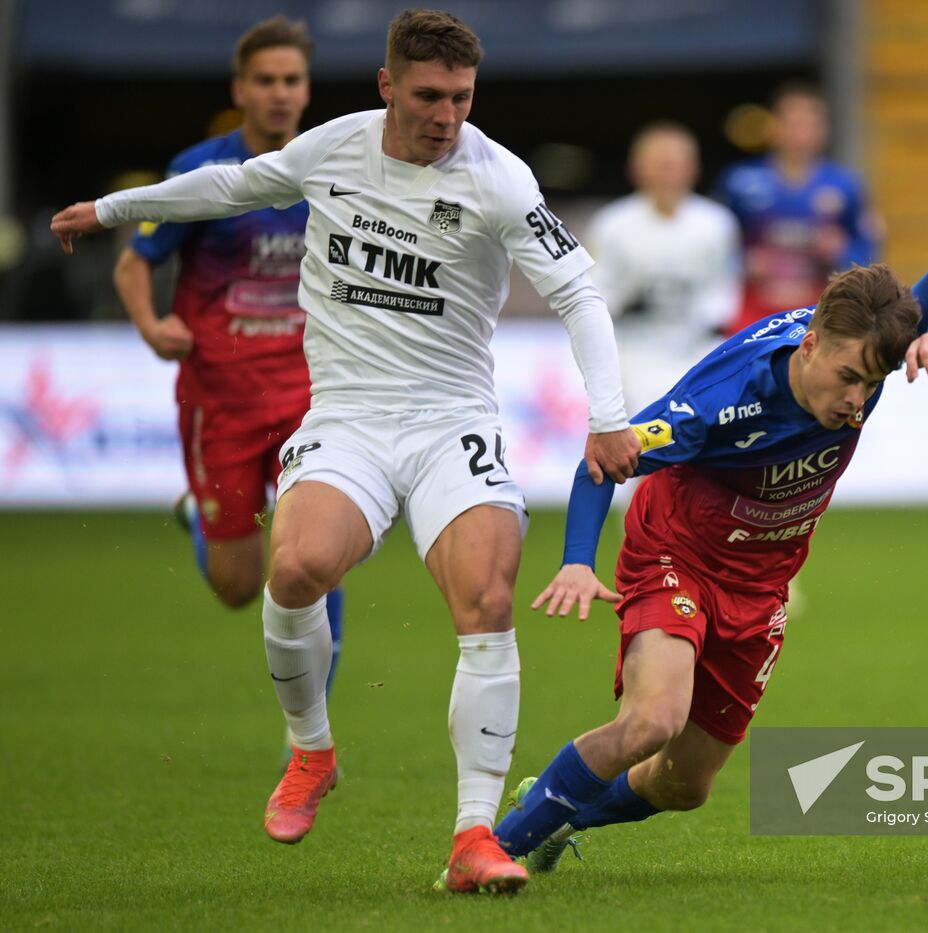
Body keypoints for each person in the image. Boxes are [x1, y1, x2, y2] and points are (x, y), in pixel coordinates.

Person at [52, 9, 639, 895]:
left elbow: (580, 295)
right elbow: (227, 188)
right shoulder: (333, 149)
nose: (447, 116)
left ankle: (473, 834)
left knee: (486, 596)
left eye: (463, 98)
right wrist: (112, 209)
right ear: (387, 86)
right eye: (431, 96)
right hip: (350, 417)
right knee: (295, 568)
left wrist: (609, 415)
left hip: (453, 420)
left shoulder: (500, 178)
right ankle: (312, 751)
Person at [494, 252, 928, 871]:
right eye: (848, 378)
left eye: (871, 383)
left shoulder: (869, 348)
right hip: (675, 554)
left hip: (760, 585)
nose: (857, 399)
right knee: (652, 721)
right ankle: (490, 851)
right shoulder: (722, 401)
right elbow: (602, 461)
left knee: (684, 787)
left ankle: (559, 810)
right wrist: (576, 560)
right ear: (809, 346)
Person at [112, 19, 349, 703]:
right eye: (266, 81)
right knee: (239, 587)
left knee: (317, 557)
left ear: (306, 90)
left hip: (313, 395)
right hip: (221, 397)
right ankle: (200, 515)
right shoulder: (200, 171)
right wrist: (153, 326)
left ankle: (310, 721)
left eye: (292, 81)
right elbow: (134, 262)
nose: (280, 94)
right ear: (241, 88)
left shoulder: (332, 165)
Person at [585, 122, 740, 412]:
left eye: (676, 163)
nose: (668, 172)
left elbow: (724, 290)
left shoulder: (716, 223)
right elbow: (597, 293)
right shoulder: (612, 224)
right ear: (636, 167)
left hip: (696, 352)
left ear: (694, 168)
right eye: (659, 163)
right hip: (633, 353)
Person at [715, 82, 878, 334]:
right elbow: (713, 244)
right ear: (774, 126)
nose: (801, 133)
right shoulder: (740, 182)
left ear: (824, 130)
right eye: (793, 123)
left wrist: (841, 252)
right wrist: (743, 262)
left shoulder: (845, 185)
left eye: (810, 124)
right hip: (753, 307)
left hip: (821, 308)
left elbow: (867, 248)